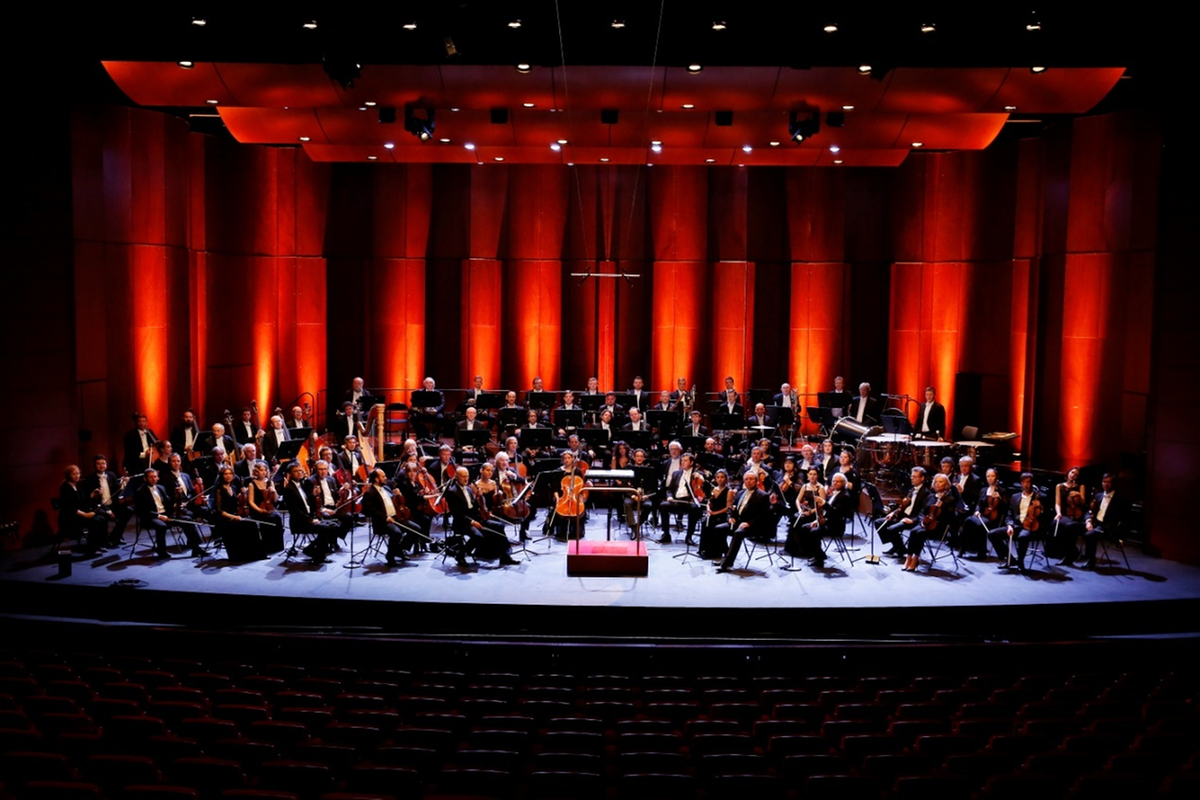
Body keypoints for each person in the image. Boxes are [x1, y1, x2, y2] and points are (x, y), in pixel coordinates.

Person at [446, 466, 518, 566]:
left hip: (476, 519)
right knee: (478, 536)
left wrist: (478, 498)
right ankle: (460, 555)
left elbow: (473, 506)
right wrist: (472, 522)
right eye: (463, 476)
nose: (466, 479)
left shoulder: (468, 489)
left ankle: (505, 556)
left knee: (499, 526)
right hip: (463, 523)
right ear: (456, 476)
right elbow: (457, 514)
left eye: (467, 476)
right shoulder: (452, 492)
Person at [136, 467, 203, 559]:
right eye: (151, 477)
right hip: (150, 517)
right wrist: (159, 516)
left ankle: (196, 548)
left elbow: (168, 503)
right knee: (161, 526)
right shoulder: (140, 492)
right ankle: (161, 551)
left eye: (155, 476)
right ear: (145, 478)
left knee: (187, 519)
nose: (154, 479)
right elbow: (142, 510)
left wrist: (176, 498)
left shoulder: (161, 488)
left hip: (166, 514)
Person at [283, 461, 342, 563]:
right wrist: (311, 520)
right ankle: (318, 555)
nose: (299, 473)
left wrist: (313, 495)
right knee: (325, 528)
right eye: (296, 471)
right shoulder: (289, 489)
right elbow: (295, 510)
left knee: (334, 525)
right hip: (299, 522)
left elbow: (305, 502)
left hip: (308, 518)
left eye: (300, 471)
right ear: (290, 474)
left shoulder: (301, 484)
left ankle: (311, 548)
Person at [715, 471, 772, 572]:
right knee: (718, 529)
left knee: (738, 533)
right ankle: (727, 555)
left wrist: (749, 523)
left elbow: (763, 515)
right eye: (746, 479)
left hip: (754, 525)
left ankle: (727, 563)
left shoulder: (763, 495)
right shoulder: (740, 493)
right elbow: (732, 508)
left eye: (751, 479)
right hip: (738, 522)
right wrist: (731, 517)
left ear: (757, 481)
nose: (748, 481)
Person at [988, 472, 1044, 572]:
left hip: (1030, 527)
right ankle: (1009, 558)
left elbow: (1045, 515)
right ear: (1021, 483)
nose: (1026, 485)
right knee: (992, 534)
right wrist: (1009, 525)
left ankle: (1020, 562)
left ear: (1032, 483)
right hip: (1016, 525)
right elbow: (1010, 513)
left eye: (1028, 482)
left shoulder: (1039, 497)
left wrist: (1041, 507)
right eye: (1024, 482)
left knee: (1023, 537)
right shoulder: (1015, 497)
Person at [361, 467, 415, 565]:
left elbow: (394, 501)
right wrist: (385, 518)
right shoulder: (369, 493)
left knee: (415, 528)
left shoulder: (386, 488)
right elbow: (369, 511)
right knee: (397, 533)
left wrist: (398, 495)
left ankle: (399, 549)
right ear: (376, 479)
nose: (386, 478)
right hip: (382, 522)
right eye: (383, 476)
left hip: (395, 517)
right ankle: (390, 555)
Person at [80, 454, 133, 548]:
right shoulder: (90, 479)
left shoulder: (111, 475)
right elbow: (90, 500)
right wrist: (108, 511)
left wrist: (124, 484)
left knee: (128, 510)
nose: (101, 466)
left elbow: (117, 491)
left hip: (113, 504)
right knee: (103, 517)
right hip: (100, 507)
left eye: (103, 463)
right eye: (98, 464)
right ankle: (104, 541)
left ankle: (115, 537)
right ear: (94, 465)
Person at [878, 467, 931, 558]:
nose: (912, 478)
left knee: (892, 529)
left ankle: (900, 549)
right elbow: (903, 505)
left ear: (922, 478)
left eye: (915, 477)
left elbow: (923, 512)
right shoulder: (912, 489)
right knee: (878, 522)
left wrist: (913, 520)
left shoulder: (926, 493)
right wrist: (893, 513)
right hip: (904, 515)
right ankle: (897, 546)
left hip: (914, 519)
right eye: (911, 476)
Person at [959, 468, 1008, 559]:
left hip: (994, 518)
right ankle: (963, 548)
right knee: (968, 522)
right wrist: (977, 511)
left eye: (992, 476)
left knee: (978, 525)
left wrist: (1000, 499)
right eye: (988, 476)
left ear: (996, 477)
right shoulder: (984, 490)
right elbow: (978, 503)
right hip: (983, 515)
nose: (990, 478)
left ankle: (981, 552)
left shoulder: (1002, 491)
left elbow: (1006, 507)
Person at [1081, 473, 1127, 569]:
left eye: (1109, 482)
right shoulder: (1098, 495)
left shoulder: (1120, 499)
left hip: (1107, 528)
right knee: (1070, 526)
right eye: (1104, 482)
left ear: (1113, 484)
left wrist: (1121, 536)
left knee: (1090, 535)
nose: (1106, 484)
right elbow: (1089, 511)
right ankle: (1070, 555)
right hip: (1094, 523)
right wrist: (1088, 521)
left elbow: (1124, 518)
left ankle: (1090, 561)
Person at [58, 464, 107, 555]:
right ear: (68, 475)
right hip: (71, 517)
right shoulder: (65, 488)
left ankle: (98, 544)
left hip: (80, 514)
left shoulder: (78, 486)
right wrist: (85, 515)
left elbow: (83, 501)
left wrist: (93, 494)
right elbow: (69, 508)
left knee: (102, 518)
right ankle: (91, 548)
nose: (77, 476)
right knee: (95, 521)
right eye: (74, 474)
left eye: (78, 473)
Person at [661, 453, 704, 546]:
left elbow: (704, 489)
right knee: (663, 506)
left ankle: (689, 536)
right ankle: (666, 534)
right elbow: (669, 489)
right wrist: (669, 496)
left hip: (689, 501)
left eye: (685, 460)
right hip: (676, 500)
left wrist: (700, 477)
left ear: (691, 462)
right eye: (682, 460)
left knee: (695, 509)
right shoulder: (676, 473)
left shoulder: (697, 474)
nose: (682, 462)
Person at [1053, 466, 1089, 565]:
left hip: (1077, 514)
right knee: (1055, 523)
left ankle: (1070, 552)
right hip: (1064, 513)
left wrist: (1078, 495)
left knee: (1069, 526)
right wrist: (1058, 513)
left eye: (1076, 474)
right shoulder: (1059, 486)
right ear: (1068, 473)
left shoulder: (1080, 486)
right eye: (1072, 472)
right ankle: (1059, 551)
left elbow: (1083, 503)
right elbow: (1057, 503)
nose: (1073, 475)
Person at [245, 460, 284, 547]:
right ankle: (268, 545)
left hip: (270, 507)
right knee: (267, 519)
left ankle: (278, 545)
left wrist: (274, 491)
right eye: (261, 470)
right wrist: (260, 510)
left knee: (277, 517)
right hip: (257, 509)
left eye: (265, 470)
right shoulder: (252, 484)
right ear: (256, 472)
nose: (263, 472)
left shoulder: (270, 482)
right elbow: (251, 501)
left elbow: (275, 500)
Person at [698, 469, 733, 559]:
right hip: (712, 513)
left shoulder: (729, 491)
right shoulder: (714, 489)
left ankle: (714, 552)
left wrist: (715, 513)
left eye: (722, 477)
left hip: (722, 515)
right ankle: (704, 549)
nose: (720, 479)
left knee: (713, 524)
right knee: (704, 522)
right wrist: (708, 510)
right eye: (718, 477)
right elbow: (709, 502)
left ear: (726, 479)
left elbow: (728, 508)